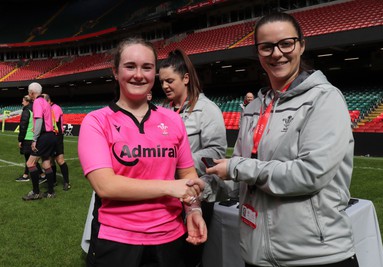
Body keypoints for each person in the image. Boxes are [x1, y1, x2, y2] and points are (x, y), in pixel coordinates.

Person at [206, 12, 359, 267]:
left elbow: (309, 174)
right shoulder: (253, 108)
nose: (277, 54)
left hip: (316, 256)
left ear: (301, 45)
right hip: (257, 256)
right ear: (258, 53)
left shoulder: (324, 99)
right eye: (266, 47)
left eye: (286, 43)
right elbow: (243, 178)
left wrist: (235, 166)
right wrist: (205, 186)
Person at [77, 37, 207, 267]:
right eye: (130, 66)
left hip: (172, 238)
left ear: (154, 73)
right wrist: (169, 186)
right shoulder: (96, 121)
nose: (139, 74)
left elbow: (187, 176)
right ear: (115, 72)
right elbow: (106, 186)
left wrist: (194, 209)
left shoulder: (173, 120)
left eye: (147, 67)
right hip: (117, 241)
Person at [159, 48, 229, 267]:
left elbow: (216, 152)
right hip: (166, 196)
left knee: (189, 258)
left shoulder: (207, 110)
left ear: (186, 78)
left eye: (169, 80)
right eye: (161, 82)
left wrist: (178, 163)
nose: (164, 86)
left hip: (194, 195)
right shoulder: (162, 110)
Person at [22, 82, 57, 200]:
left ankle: (36, 192)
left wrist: (34, 139)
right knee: (46, 163)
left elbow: (39, 121)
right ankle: (51, 192)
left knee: (30, 163)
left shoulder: (37, 102)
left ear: (32, 93)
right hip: (51, 135)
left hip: (43, 136)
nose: (28, 94)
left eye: (28, 92)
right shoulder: (46, 102)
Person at [42, 93, 71, 191]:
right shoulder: (48, 108)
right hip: (49, 137)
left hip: (57, 137)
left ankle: (67, 182)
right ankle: (53, 180)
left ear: (48, 101)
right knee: (51, 161)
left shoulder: (55, 108)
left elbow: (52, 122)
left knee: (59, 160)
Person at [16, 95, 45, 182]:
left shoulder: (26, 110)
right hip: (33, 136)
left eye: (23, 101)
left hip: (27, 137)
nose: (22, 103)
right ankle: (32, 175)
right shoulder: (34, 109)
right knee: (30, 158)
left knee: (29, 158)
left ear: (27, 101)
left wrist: (20, 139)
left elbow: (23, 126)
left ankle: (38, 175)